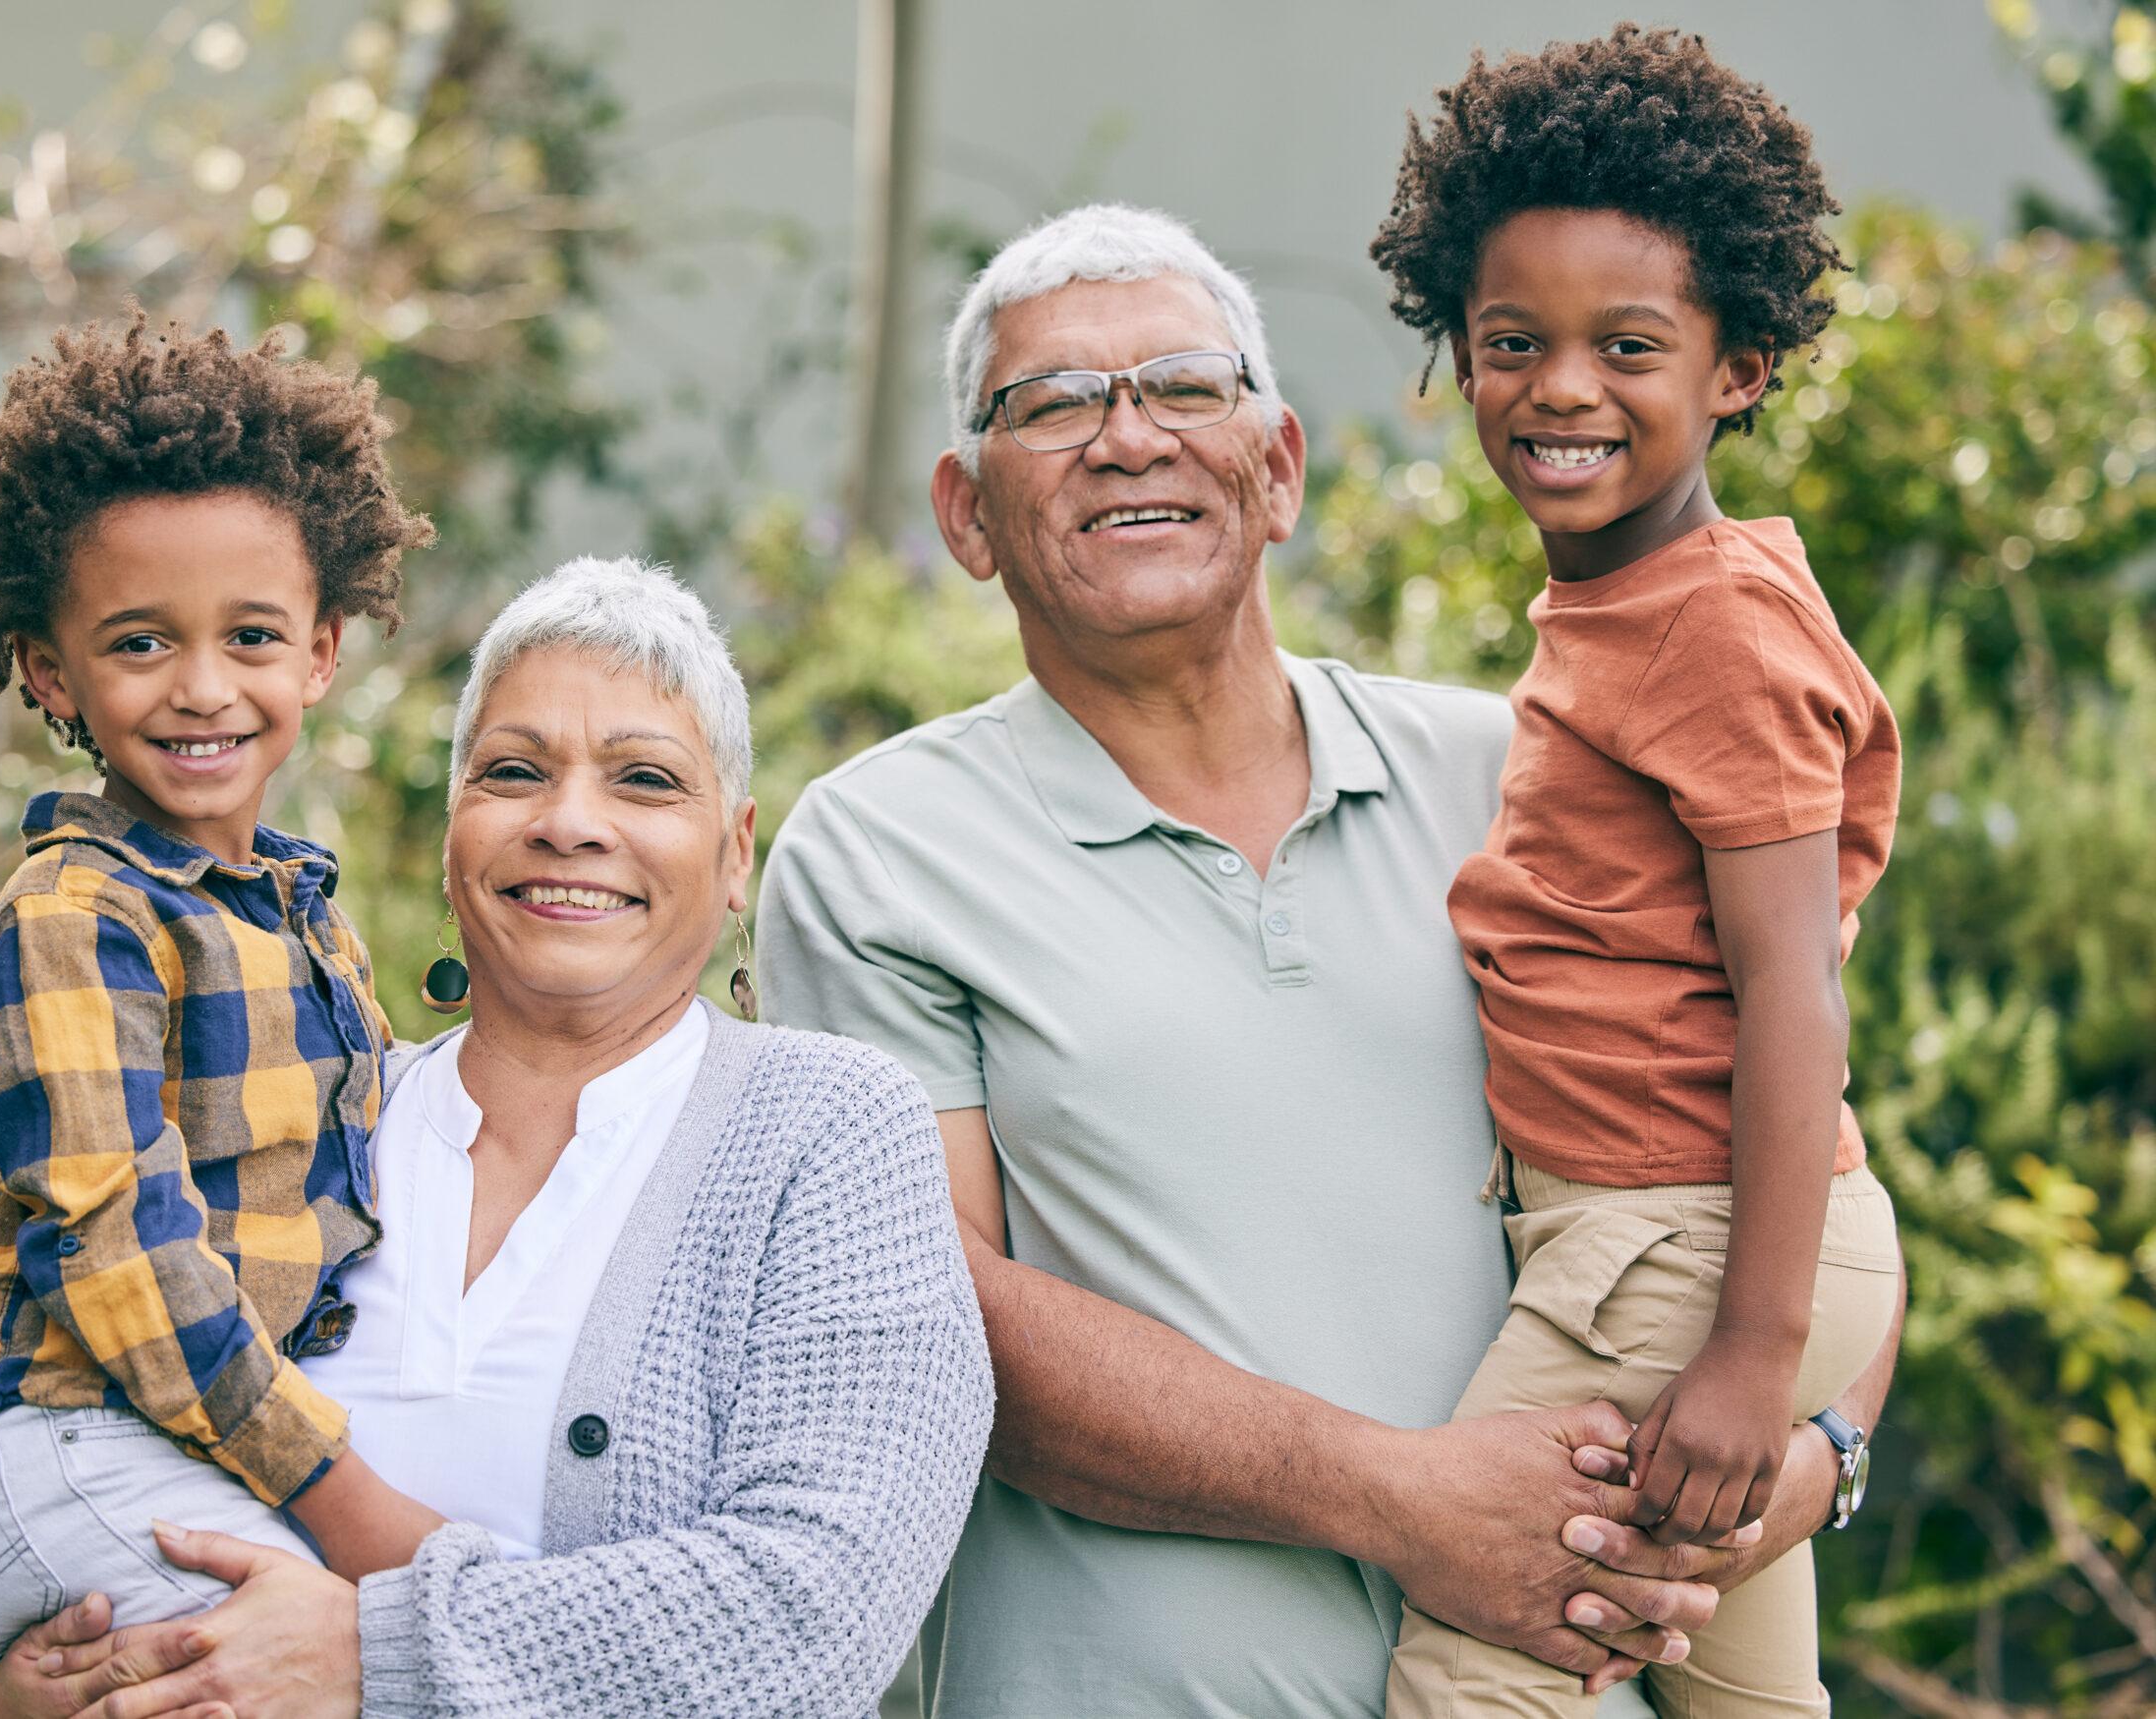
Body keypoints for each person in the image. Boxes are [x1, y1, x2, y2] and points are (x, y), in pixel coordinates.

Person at [757, 202, 1904, 1718]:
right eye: (1054, 405)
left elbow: (1798, 1171)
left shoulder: (1516, 767)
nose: (1127, 439)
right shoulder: (879, 852)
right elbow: (943, 1325)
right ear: (966, 515)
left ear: (1280, 467)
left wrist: (1820, 1460)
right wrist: (1408, 1501)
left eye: (1183, 386)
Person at [0, 556, 993, 1719]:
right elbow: (54, 1497)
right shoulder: (312, 1121)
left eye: (643, 781)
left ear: (737, 854)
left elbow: (809, 1618)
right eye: (514, 772)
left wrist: (365, 1656)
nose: (570, 823)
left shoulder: (829, 1133)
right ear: (452, 838)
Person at [1368, 29, 1903, 1714]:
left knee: (1476, 1660)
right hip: (1673, 1240)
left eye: (1629, 346)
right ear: (1459, 348)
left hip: (1685, 1255)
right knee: (1744, 1693)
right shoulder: (1630, 606)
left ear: (1736, 366)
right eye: (1512, 342)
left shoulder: (1712, 628)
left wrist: (1751, 1351)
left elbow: (1794, 983)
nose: (1560, 387)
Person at [0, 314, 446, 1673]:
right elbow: (124, 1255)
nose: (204, 687)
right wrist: (352, 1505)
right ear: (48, 669)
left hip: (152, 1450)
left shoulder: (302, 914)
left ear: (322, 650)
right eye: (140, 644)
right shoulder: (80, 918)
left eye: (252, 635)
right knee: (358, 1658)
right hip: (56, 1445)